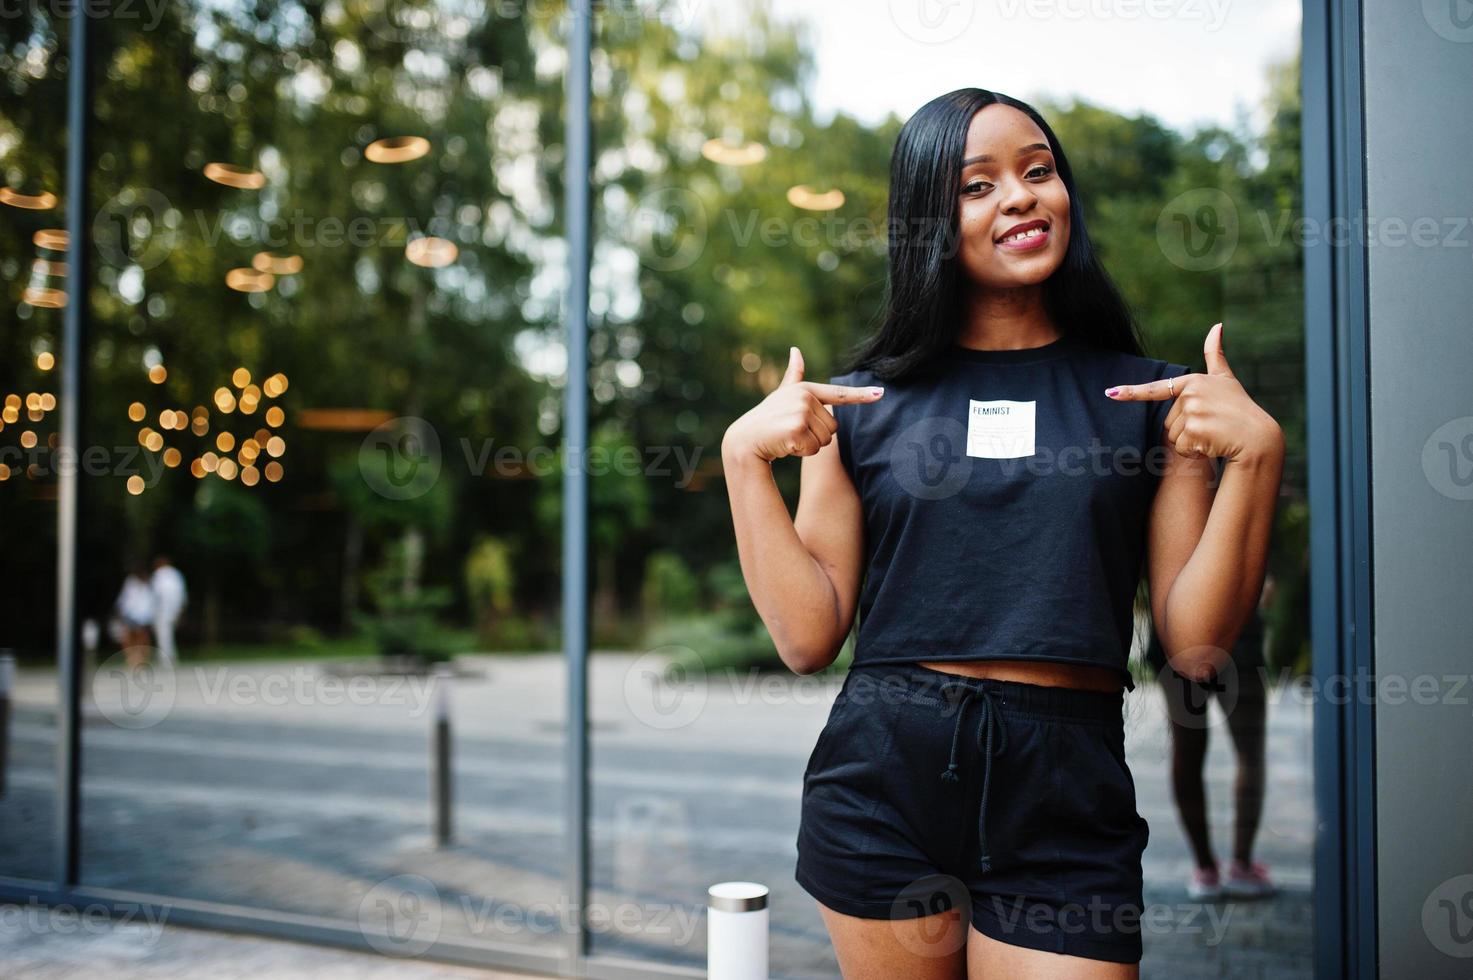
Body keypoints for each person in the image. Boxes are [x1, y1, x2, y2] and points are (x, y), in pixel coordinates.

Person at [721, 88, 1284, 977]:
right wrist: (740, 460)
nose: (1020, 196)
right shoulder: (859, 407)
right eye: (976, 185)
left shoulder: (1149, 401)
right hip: (884, 778)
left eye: (1037, 170)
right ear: (927, 224)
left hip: (1067, 790)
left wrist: (1255, 458)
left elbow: (1197, 648)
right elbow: (805, 637)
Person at [1146, 579, 1277, 901]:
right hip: (1237, 634)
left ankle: (1205, 871)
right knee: (1250, 752)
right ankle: (1241, 867)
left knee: (1186, 751)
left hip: (1174, 627)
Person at [112, 562, 156, 667]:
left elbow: (151, 601)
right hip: (131, 614)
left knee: (143, 637)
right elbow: (125, 599)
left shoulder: (149, 584)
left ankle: (142, 658)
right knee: (128, 636)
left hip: (144, 615)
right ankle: (131, 657)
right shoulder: (130, 582)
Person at [150, 554, 187, 668]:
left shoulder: (158, 575)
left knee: (163, 634)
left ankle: (166, 659)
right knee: (168, 634)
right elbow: (182, 594)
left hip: (162, 609)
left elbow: (156, 594)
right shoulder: (176, 574)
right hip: (175, 609)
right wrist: (180, 609)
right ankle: (171, 657)